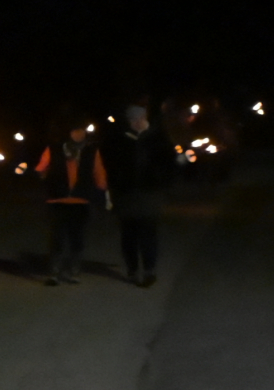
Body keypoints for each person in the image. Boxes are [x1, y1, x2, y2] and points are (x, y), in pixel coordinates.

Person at [105, 101, 173, 286]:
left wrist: (161, 180)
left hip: (150, 194)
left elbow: (169, 163)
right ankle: (133, 269)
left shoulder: (157, 137)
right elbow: (111, 164)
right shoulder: (119, 138)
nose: (136, 122)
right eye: (133, 119)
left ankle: (149, 270)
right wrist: (115, 183)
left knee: (148, 234)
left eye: (139, 118)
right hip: (126, 194)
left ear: (145, 118)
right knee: (129, 235)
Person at [31, 119, 107, 285]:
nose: (79, 134)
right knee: (57, 238)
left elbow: (99, 172)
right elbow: (42, 168)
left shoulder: (90, 150)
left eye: (81, 131)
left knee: (77, 238)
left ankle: (74, 271)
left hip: (81, 200)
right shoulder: (54, 149)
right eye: (75, 131)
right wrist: (40, 174)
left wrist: (101, 192)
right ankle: (54, 272)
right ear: (68, 132)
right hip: (58, 199)